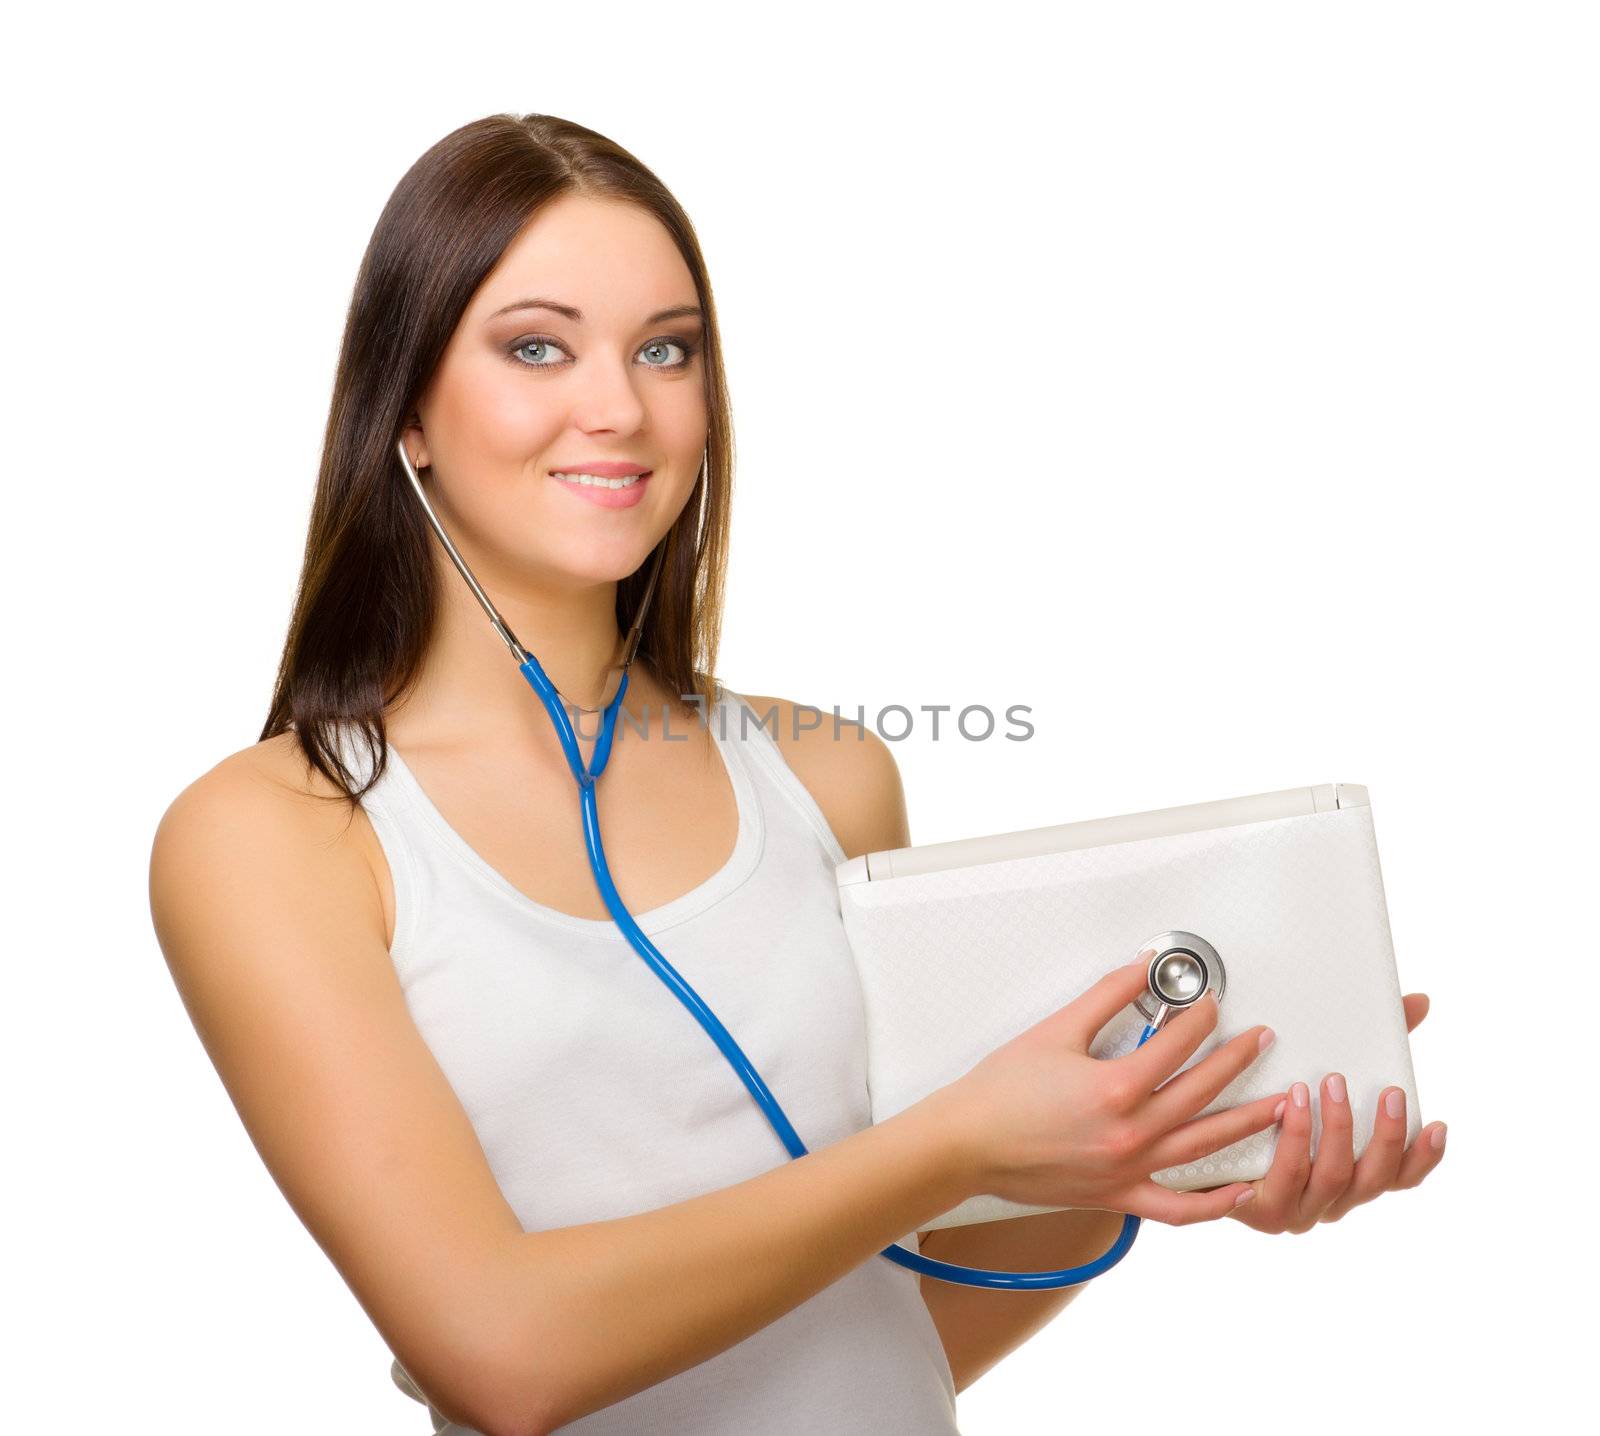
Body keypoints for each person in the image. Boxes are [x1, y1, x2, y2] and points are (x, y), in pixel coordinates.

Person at [148, 112, 1446, 1436]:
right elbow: (501, 1354)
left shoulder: (830, 777)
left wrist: (1145, 1153)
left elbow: (900, 1320)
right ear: (408, 408)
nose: (621, 406)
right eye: (538, 346)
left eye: (668, 349)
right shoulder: (271, 835)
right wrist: (954, 1144)